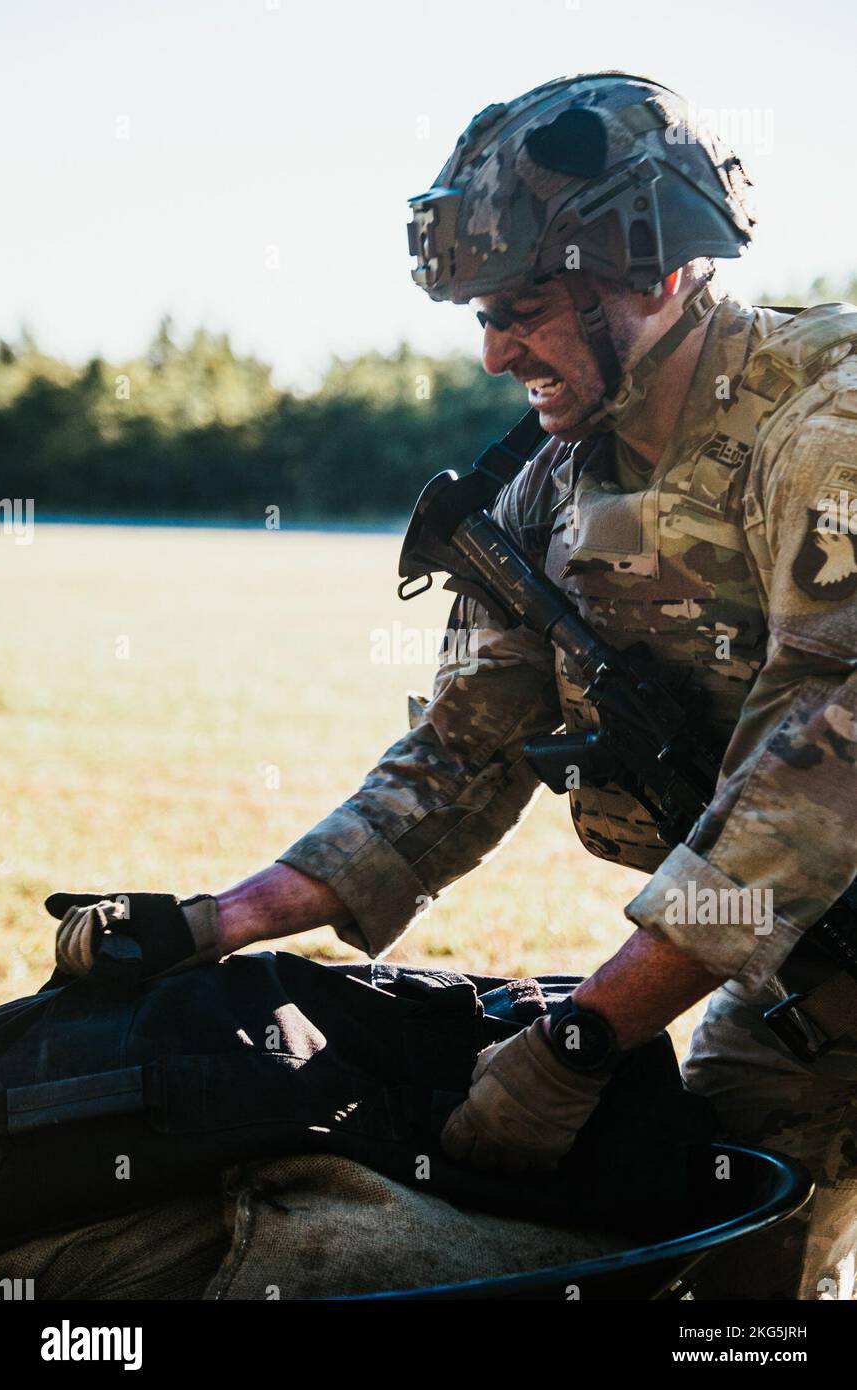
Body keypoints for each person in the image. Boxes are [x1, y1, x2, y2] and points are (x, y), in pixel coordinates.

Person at [50, 71, 857, 1299]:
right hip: (802, 980)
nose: (492, 351)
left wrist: (580, 1038)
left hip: (782, 919)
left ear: (646, 268)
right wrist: (215, 921)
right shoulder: (538, 495)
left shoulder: (827, 418)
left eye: (523, 306)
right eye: (484, 311)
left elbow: (822, 768)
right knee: (734, 1298)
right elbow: (452, 763)